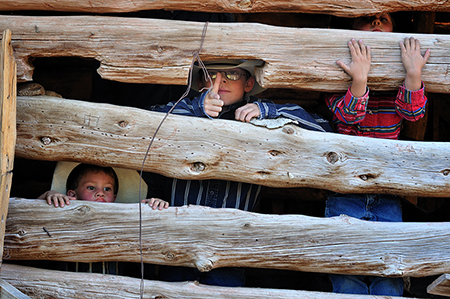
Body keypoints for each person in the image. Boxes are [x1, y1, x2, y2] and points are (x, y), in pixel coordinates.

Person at [146, 59, 333, 286]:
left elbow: (324, 128)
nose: (220, 80)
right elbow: (143, 125)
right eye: (211, 73)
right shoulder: (180, 110)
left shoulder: (261, 115)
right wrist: (198, 110)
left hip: (232, 246)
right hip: (177, 242)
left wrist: (267, 110)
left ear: (249, 84)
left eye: (232, 74)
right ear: (199, 81)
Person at [324, 13, 430, 296]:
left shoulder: (395, 85)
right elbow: (347, 117)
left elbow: (413, 112)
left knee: (390, 271)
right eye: (367, 18)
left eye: (383, 18)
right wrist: (358, 79)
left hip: (387, 190)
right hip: (345, 189)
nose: (376, 23)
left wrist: (413, 74)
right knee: (348, 273)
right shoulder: (335, 73)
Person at [38, 163, 169, 210]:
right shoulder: (62, 210)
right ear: (72, 194)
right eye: (91, 187)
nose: (100, 193)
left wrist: (153, 207)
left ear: (114, 198)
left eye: (107, 189)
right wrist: (48, 196)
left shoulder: (123, 219)